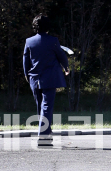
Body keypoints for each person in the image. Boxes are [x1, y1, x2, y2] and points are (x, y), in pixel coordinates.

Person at [23, 14, 69, 147]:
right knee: (47, 107)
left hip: (34, 78)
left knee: (40, 107)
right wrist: (66, 68)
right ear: (48, 26)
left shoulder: (29, 41)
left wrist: (27, 75)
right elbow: (61, 56)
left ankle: (46, 132)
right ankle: (43, 136)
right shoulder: (53, 40)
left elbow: (25, 61)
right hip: (50, 78)